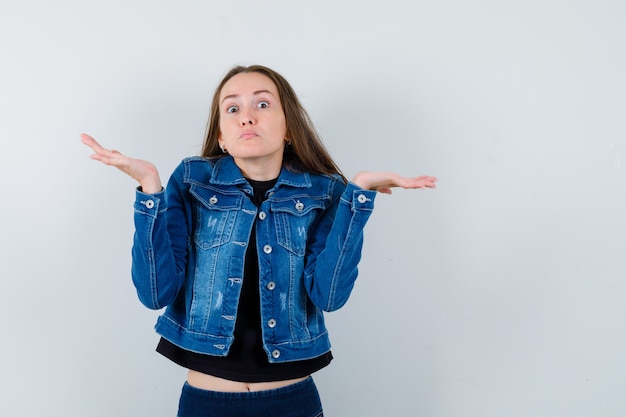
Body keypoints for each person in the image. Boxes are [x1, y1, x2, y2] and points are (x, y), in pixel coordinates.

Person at [82, 64, 437, 417]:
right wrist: (149, 190)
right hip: (207, 404)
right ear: (221, 136)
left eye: (263, 105)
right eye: (232, 108)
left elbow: (329, 297)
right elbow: (154, 293)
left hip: (292, 403)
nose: (246, 118)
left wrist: (357, 196)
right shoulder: (191, 181)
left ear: (288, 128)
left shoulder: (324, 191)